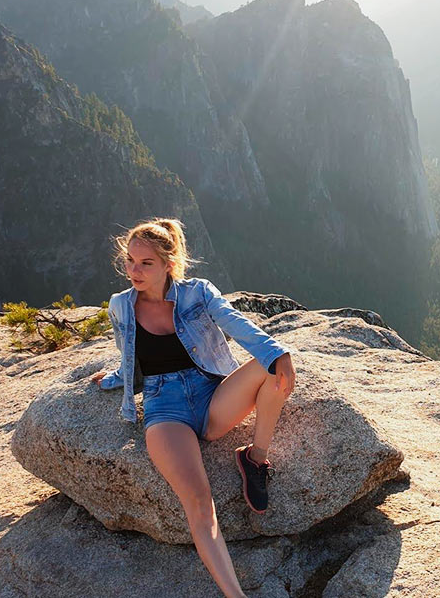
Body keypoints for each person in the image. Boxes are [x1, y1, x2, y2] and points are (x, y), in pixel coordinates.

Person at [90, 217, 295, 598]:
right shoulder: (121, 306)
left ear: (168, 264)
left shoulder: (198, 293)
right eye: (130, 261)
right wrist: (116, 378)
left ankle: (256, 457)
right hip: (164, 408)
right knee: (200, 503)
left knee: (272, 372)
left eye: (146, 263)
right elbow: (128, 356)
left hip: (210, 394)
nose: (134, 271)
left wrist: (276, 353)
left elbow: (236, 324)